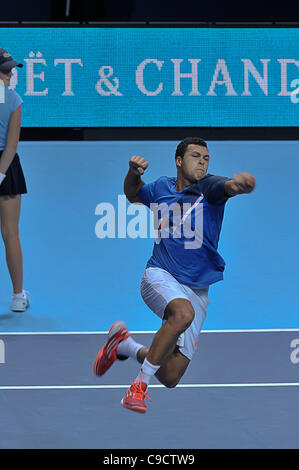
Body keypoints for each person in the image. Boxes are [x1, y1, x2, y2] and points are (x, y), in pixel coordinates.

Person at [94, 137, 256, 413]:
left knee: (170, 376)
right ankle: (137, 387)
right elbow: (134, 194)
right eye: (195, 156)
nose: (202, 162)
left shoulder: (210, 188)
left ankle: (125, 345)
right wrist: (133, 174)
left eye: (206, 157)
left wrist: (238, 186)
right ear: (179, 161)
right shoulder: (160, 188)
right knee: (182, 314)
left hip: (198, 290)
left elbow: (227, 187)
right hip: (159, 276)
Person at [0, 48, 29, 312]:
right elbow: (11, 146)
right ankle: (18, 296)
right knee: (10, 233)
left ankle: (19, 295)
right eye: (6, 70)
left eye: (11, 69)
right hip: (6, 170)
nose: (11, 74)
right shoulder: (13, 100)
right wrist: (0, 174)